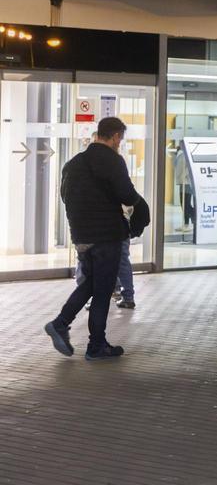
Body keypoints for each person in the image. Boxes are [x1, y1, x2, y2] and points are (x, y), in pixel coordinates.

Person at [45, 116, 144, 360]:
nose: (120, 142)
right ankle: (96, 345)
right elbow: (127, 194)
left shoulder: (74, 162)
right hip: (107, 235)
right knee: (103, 291)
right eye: (121, 138)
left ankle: (60, 323)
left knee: (90, 283)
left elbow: (64, 195)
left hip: (81, 236)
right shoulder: (113, 160)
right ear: (116, 136)